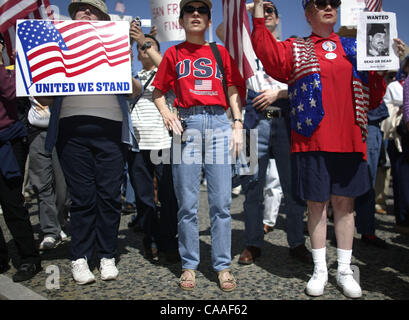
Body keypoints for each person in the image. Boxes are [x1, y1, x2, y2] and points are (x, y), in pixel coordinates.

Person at [251, 0, 389, 298]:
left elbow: (375, 97)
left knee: (345, 206)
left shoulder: (355, 46)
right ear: (307, 12)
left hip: (350, 139)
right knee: (317, 206)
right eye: (320, 2)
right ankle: (320, 269)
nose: (328, 6)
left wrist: (382, 65)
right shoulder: (296, 46)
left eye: (333, 2)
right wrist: (259, 17)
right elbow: (268, 54)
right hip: (312, 138)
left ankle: (343, 269)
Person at [38, 0, 142, 285]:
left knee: (109, 196)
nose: (85, 13)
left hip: (111, 131)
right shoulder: (60, 49)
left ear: (104, 19)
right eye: (79, 10)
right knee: (82, 198)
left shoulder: (116, 47)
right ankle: (80, 256)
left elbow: (136, 89)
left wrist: (126, 76)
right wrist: (35, 79)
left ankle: (107, 253)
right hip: (71, 132)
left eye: (92, 9)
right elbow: (44, 99)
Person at [152, 0, 246, 292]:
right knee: (187, 205)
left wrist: (238, 123)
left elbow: (232, 87)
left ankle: (222, 265)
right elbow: (158, 91)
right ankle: (189, 264)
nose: (195, 14)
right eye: (189, 10)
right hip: (187, 126)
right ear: (180, 20)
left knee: (221, 204)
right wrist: (167, 113)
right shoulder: (172, 53)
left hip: (219, 124)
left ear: (208, 18)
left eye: (201, 10)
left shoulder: (220, 52)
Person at [217, 1, 310, 265]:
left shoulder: (291, 45)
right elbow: (224, 28)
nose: (266, 14)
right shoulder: (245, 44)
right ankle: (253, 242)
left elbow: (307, 83)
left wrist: (279, 93)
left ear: (278, 20)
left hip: (284, 116)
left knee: (292, 187)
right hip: (253, 117)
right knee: (252, 186)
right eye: (264, 10)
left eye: (271, 11)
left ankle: (296, 242)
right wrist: (248, 9)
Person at [128, 24, 179, 263]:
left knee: (169, 196)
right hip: (138, 145)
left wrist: (146, 39)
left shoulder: (167, 74)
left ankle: (169, 241)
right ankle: (150, 239)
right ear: (137, 54)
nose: (145, 51)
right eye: (141, 48)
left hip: (166, 143)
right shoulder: (132, 78)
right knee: (144, 197)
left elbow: (170, 70)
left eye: (150, 48)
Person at [0, 34, 42, 282]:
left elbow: (12, 94)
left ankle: (29, 259)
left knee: (11, 202)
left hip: (7, 142)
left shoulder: (7, 72)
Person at [27, 97, 70, 250]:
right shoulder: (25, 76)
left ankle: (59, 219)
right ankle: (50, 231)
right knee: (42, 185)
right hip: (36, 133)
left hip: (61, 131)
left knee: (62, 187)